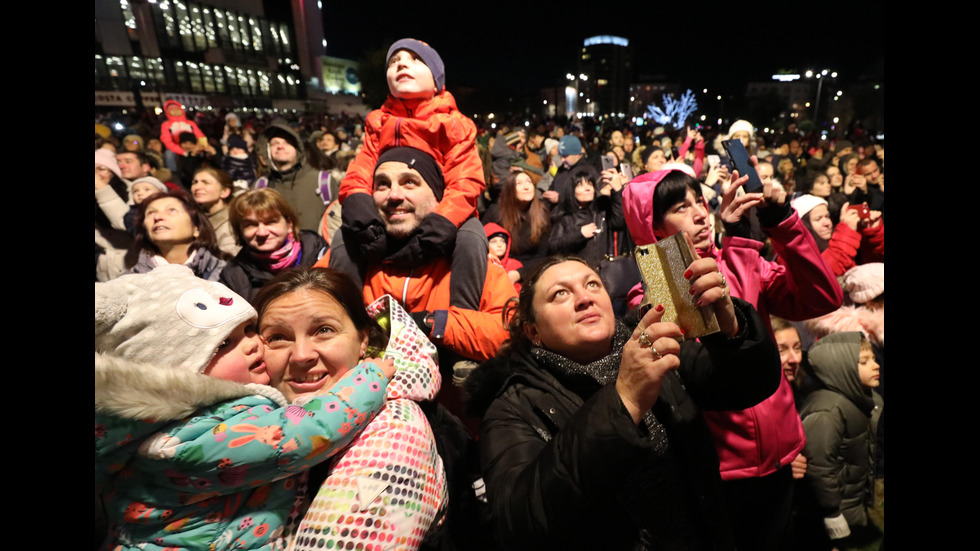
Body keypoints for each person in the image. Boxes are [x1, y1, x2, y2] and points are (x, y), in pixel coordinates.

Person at [462, 256, 782, 550]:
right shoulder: (511, 407)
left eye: (592, 284)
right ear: (533, 331)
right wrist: (624, 398)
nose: (585, 298)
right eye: (560, 294)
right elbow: (519, 523)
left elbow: (749, 385)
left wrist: (732, 330)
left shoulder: (652, 348)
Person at [622, 164, 843, 551]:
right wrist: (737, 248)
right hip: (719, 472)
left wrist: (782, 222)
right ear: (653, 228)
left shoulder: (741, 258)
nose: (699, 213)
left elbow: (824, 297)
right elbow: (717, 363)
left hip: (782, 454)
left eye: (699, 201)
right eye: (680, 207)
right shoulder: (650, 296)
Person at [95, 264, 392, 550]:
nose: (253, 344)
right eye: (224, 344)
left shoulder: (190, 416)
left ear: (363, 337)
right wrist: (370, 379)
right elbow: (302, 433)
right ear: (180, 372)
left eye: (249, 329)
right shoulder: (185, 437)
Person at [254, 268, 448, 551]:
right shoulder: (250, 419)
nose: (301, 355)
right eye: (278, 337)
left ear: (364, 340)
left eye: (324, 330)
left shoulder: (395, 427)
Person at [316, 147, 517, 386]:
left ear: (437, 197)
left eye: (410, 182)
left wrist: (433, 323)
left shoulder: (468, 254)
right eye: (382, 185)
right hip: (366, 411)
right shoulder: (348, 254)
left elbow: (513, 332)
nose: (394, 195)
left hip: (450, 410)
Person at [331, 38, 488, 316]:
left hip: (439, 216)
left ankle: (463, 319)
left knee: (472, 237)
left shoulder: (455, 124)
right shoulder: (377, 121)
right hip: (393, 215)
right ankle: (347, 319)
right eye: (394, 61)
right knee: (344, 240)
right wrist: (357, 204)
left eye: (415, 59)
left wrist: (441, 224)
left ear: (437, 79)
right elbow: (362, 167)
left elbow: (466, 181)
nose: (402, 63)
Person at [800, 331, 883, 549]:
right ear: (841, 367)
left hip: (855, 503)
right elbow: (820, 467)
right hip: (835, 510)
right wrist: (832, 513)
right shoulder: (828, 410)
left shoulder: (866, 399)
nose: (876, 366)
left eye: (873, 358)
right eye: (864, 361)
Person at [219, 188, 328, 303]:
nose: (262, 232)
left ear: (289, 224)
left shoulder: (322, 254)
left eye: (271, 222)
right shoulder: (233, 276)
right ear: (240, 231)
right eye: (250, 225)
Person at [127, 189, 228, 281]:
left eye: (172, 210)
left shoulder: (226, 273)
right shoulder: (128, 283)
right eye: (151, 213)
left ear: (196, 228)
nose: (157, 217)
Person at [257, 120, 330, 233]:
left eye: (287, 142)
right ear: (268, 151)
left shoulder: (323, 180)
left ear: (297, 148)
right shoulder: (261, 186)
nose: (280, 146)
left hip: (319, 249)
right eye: (275, 143)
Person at [481, 171, 552, 284]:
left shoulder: (542, 213)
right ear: (510, 190)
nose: (526, 187)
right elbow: (481, 246)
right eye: (519, 184)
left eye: (529, 182)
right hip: (497, 269)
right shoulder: (495, 212)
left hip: (530, 272)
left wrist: (520, 273)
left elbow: (544, 256)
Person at [547, 169, 626, 267]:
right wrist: (580, 234)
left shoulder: (602, 209)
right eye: (580, 185)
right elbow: (553, 246)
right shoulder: (565, 215)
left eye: (590, 184)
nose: (587, 188)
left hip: (604, 269)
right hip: (578, 271)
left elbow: (619, 222)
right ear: (572, 190)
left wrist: (617, 191)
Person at [791, 194, 884, 277]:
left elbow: (873, 265)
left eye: (827, 216)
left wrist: (872, 233)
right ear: (804, 225)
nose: (827, 223)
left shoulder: (836, 239)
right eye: (818, 219)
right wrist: (847, 230)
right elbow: (826, 270)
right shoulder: (797, 255)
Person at [190, 165, 241, 257]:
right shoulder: (193, 217)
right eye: (195, 182)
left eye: (206, 183)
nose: (197, 187)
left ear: (224, 192)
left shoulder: (232, 221)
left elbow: (229, 259)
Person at [484, 222, 523, 291]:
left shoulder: (515, 265)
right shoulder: (482, 266)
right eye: (493, 241)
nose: (499, 245)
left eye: (502, 241)